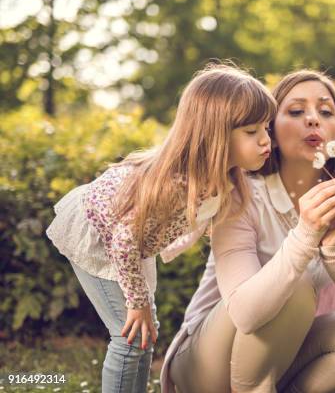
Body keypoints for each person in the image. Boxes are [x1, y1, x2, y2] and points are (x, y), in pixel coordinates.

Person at [162, 70, 335, 393]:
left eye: (326, 111)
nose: (313, 119)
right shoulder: (239, 193)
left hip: (285, 357)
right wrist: (305, 235)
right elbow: (245, 315)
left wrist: (334, 248)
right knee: (295, 285)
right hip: (208, 362)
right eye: (296, 111)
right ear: (268, 129)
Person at [46, 63, 276, 393]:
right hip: (99, 235)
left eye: (265, 128)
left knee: (144, 333)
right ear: (214, 135)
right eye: (252, 132)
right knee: (129, 336)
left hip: (131, 242)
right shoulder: (176, 184)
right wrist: (136, 303)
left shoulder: (222, 178)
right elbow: (124, 242)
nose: (266, 140)